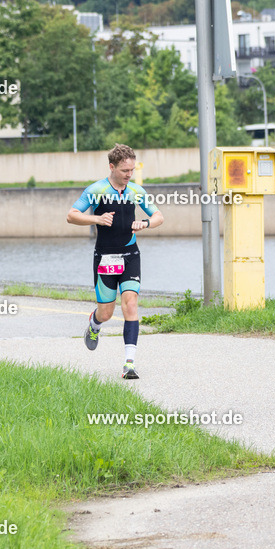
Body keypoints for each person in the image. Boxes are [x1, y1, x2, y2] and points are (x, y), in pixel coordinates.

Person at [67, 144, 163, 380]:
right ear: (112, 167)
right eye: (124, 170)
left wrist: (146, 223)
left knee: (130, 304)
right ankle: (94, 324)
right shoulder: (96, 190)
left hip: (130, 254)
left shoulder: (136, 191)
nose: (129, 174)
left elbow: (159, 216)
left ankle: (129, 363)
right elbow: (72, 216)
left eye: (131, 170)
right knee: (106, 313)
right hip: (105, 257)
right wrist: (96, 218)